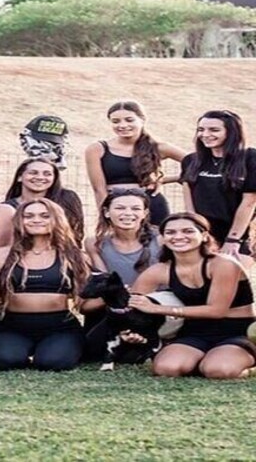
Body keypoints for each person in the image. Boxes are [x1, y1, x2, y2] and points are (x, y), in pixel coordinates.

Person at [128, 212, 256, 379]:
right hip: (193, 331)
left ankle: (244, 365)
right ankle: (199, 359)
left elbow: (217, 311)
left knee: (218, 370)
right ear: (163, 239)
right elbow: (132, 304)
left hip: (236, 331)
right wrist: (129, 331)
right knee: (166, 368)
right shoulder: (159, 270)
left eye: (188, 231)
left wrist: (158, 309)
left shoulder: (223, 264)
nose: (178, 237)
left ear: (204, 236)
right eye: (170, 232)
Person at [0, 199, 89, 371]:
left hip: (60, 326)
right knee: (5, 361)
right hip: (12, 325)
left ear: (57, 219)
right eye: (28, 216)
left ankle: (59, 347)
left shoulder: (74, 256)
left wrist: (115, 297)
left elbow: (83, 304)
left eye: (45, 216)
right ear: (18, 221)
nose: (36, 220)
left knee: (52, 363)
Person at [82, 188, 161, 361]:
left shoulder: (161, 239)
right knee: (90, 351)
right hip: (116, 306)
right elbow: (104, 283)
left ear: (145, 213)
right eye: (120, 208)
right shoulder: (95, 243)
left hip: (152, 307)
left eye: (135, 208)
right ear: (106, 212)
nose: (128, 213)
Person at [85, 101, 185, 225]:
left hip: (151, 206)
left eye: (129, 120)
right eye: (116, 121)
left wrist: (166, 180)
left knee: (157, 238)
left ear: (142, 120)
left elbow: (199, 164)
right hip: (118, 208)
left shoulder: (158, 147)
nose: (122, 125)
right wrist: (105, 219)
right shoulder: (97, 149)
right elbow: (99, 189)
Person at [180, 110, 256, 257]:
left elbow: (249, 202)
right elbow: (189, 204)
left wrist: (233, 239)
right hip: (203, 235)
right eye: (201, 129)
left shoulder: (249, 158)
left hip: (237, 235)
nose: (205, 134)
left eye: (214, 130)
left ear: (231, 132)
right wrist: (197, 233)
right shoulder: (190, 161)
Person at [0, 158, 85, 244]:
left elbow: (76, 232)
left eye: (47, 174)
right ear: (20, 177)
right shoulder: (6, 208)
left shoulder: (66, 199)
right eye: (33, 173)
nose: (40, 177)